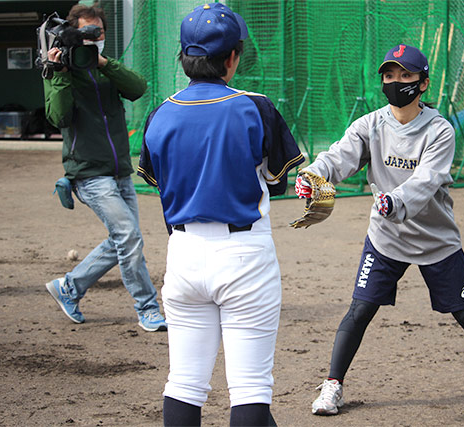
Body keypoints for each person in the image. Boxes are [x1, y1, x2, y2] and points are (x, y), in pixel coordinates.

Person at [297, 44, 464, 415]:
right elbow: (339, 155)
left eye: (406, 75)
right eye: (389, 75)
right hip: (386, 237)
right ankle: (332, 386)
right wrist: (314, 174)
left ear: (423, 84)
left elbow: (427, 180)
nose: (396, 82)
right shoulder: (369, 125)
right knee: (360, 309)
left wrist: (394, 201)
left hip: (436, 240)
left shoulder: (439, 130)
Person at [137, 4, 304, 426]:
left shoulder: (159, 114)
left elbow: (159, 180)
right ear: (232, 58)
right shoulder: (256, 107)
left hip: (184, 256)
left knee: (184, 384)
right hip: (244, 254)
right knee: (249, 388)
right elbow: (276, 178)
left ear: (184, 55)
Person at [43, 4, 167, 332]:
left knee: (123, 238)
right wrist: (60, 75)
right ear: (72, 35)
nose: (93, 39)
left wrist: (102, 62)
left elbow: (138, 88)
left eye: (98, 33)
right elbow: (59, 117)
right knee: (128, 235)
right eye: (85, 33)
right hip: (87, 172)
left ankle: (69, 287)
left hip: (119, 170)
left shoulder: (104, 67)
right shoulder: (60, 69)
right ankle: (148, 308)